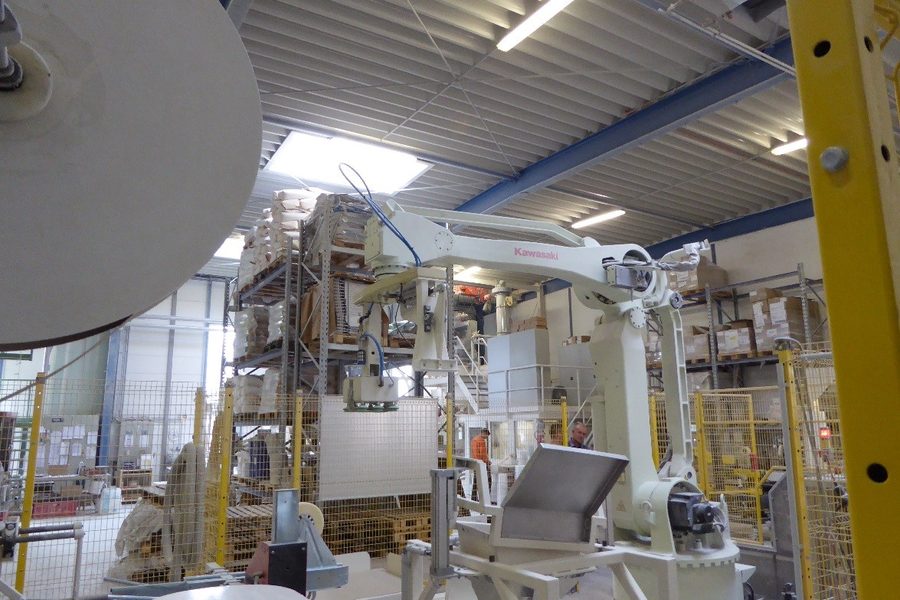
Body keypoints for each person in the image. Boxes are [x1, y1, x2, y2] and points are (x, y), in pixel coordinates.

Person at [470, 428, 491, 500]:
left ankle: (475, 497)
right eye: (486, 436)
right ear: (483, 433)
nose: (486, 438)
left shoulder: (478, 440)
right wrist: (485, 462)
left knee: (477, 481)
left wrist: (486, 461)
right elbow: (479, 454)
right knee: (485, 480)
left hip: (480, 463)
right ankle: (483, 498)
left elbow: (481, 454)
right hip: (481, 464)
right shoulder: (478, 441)